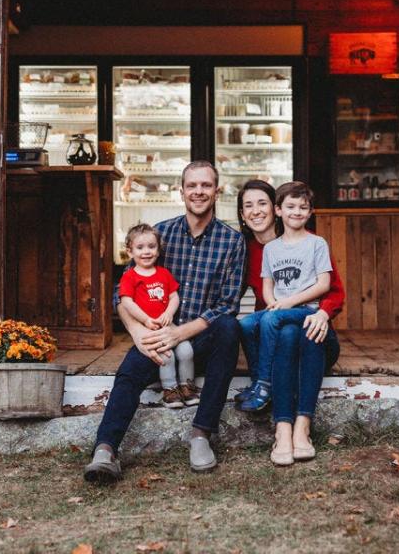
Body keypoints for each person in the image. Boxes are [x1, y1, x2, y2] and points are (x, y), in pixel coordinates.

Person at [84, 161, 246, 483]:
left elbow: (227, 304)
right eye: (192, 186)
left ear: (217, 191)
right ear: (181, 190)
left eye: (205, 185)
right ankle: (106, 450)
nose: (198, 192)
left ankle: (201, 434)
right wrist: (139, 332)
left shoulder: (232, 241)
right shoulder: (161, 234)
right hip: (157, 338)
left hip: (199, 336)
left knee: (230, 329)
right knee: (129, 372)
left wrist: (179, 333)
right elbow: (122, 292)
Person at [235, 180, 343, 466]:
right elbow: (259, 289)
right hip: (281, 330)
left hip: (314, 327)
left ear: (274, 209)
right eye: (248, 205)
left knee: (298, 328)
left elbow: (331, 289)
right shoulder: (247, 251)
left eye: (262, 203)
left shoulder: (315, 244)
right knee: (275, 330)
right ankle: (284, 430)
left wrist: (322, 313)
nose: (256, 211)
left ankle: (300, 425)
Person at [117, 223, 198, 409]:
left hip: (169, 326)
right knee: (166, 355)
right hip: (149, 328)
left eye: (151, 247)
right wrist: (145, 320)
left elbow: (173, 296)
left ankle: (187, 386)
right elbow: (127, 302)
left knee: (186, 350)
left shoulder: (163, 273)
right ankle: (170, 390)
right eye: (140, 247)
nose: (146, 252)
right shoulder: (130, 276)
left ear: (158, 250)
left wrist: (169, 313)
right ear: (130, 252)